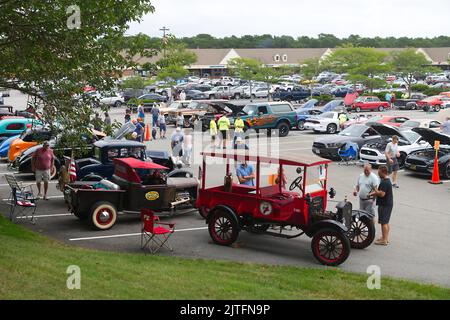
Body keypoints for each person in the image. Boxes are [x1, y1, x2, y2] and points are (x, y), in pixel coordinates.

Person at [369, 165, 394, 246]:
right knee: (386, 222)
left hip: (385, 205)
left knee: (383, 223)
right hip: (387, 204)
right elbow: (381, 191)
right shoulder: (386, 180)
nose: (378, 174)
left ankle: (384, 240)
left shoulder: (384, 182)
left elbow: (382, 194)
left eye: (379, 172)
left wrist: (375, 189)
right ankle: (385, 237)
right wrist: (372, 193)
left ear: (383, 172)